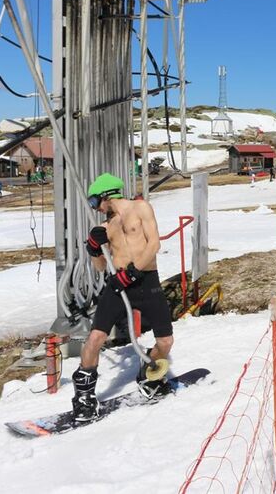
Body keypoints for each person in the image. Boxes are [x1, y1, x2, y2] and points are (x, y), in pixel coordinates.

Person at [73, 173, 173, 421]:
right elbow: (99, 266)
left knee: (166, 342)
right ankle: (84, 396)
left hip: (146, 281)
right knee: (96, 338)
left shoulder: (141, 208)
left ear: (106, 196)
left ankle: (149, 373)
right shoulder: (106, 227)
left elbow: (154, 244)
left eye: (95, 202)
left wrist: (133, 272)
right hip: (118, 285)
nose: (96, 209)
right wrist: (93, 248)